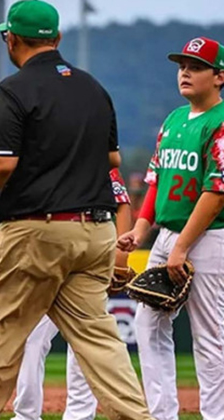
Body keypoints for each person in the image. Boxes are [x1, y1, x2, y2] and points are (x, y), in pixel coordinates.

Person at [0, 1, 153, 419]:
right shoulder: (93, 88)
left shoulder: (15, 89)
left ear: (11, 39)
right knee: (99, 339)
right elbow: (112, 159)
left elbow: (0, 163)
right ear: (57, 38)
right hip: (95, 231)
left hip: (37, 231)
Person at [118, 36, 224, 420]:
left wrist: (182, 247)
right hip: (167, 236)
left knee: (210, 338)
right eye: (182, 66)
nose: (185, 72)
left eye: (196, 66)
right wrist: (141, 230)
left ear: (219, 77)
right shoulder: (173, 120)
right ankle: (162, 414)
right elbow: (156, 181)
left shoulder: (221, 122)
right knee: (147, 327)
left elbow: (217, 191)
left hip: (210, 239)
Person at [12, 168, 133, 420]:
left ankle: (79, 415)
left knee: (83, 342)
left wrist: (120, 258)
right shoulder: (38, 157)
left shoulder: (96, 156)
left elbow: (121, 205)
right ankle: (25, 415)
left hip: (87, 258)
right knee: (30, 338)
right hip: (44, 260)